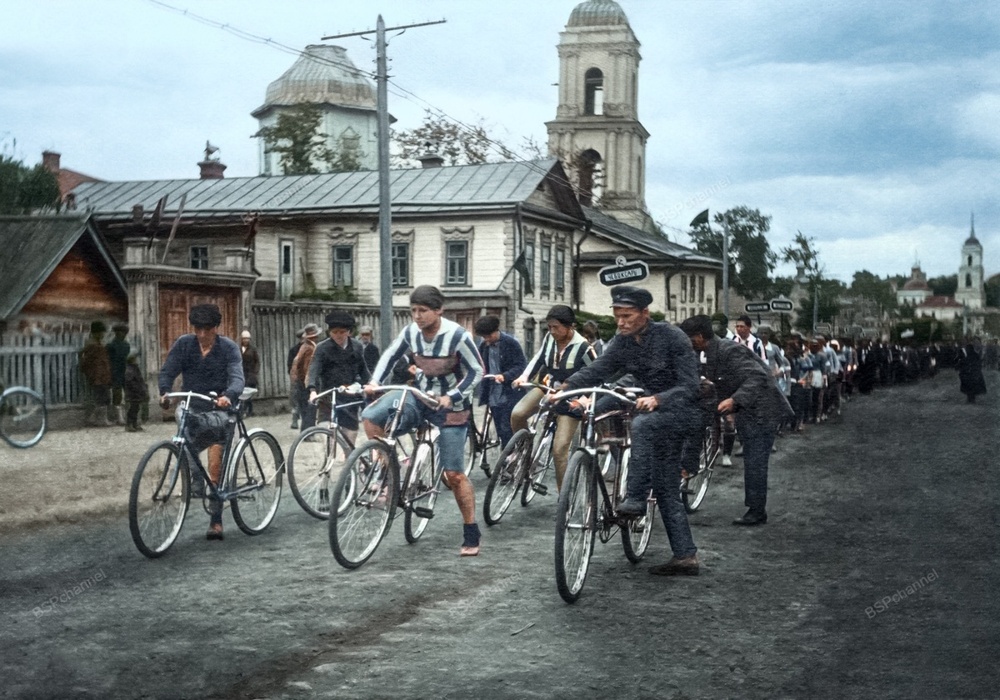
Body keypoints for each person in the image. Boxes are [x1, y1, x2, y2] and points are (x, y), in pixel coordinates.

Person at [560, 285, 702, 576]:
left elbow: (691, 386)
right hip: (644, 401)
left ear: (645, 314)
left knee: (643, 426)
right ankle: (686, 557)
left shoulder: (672, 338)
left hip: (678, 410)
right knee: (593, 405)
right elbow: (599, 368)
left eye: (627, 316)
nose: (621, 322)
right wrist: (566, 388)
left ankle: (635, 498)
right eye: (617, 316)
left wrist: (659, 399)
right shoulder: (623, 341)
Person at [361, 285, 485, 556]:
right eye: (413, 310)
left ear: (439, 310)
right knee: (371, 417)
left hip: (451, 406)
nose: (417, 316)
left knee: (454, 474)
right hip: (419, 396)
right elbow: (390, 355)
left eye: (423, 310)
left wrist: (452, 396)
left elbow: (476, 371)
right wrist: (373, 383)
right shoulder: (410, 332)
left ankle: (471, 531)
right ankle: (389, 473)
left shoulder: (457, 336)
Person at [680, 315, 795, 527]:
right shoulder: (710, 351)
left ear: (698, 337)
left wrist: (734, 400)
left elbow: (757, 378)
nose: (686, 343)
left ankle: (756, 511)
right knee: (696, 417)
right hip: (746, 407)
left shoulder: (729, 350)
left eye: (688, 338)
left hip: (763, 410)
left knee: (755, 461)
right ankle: (689, 466)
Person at [158, 303, 244, 541]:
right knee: (184, 441)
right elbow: (168, 371)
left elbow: (237, 378)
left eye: (207, 329)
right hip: (192, 407)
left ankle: (216, 521)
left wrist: (228, 396)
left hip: (219, 412)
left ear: (217, 328)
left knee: (215, 469)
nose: (202, 334)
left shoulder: (228, 348)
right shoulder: (184, 344)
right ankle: (195, 480)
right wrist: (165, 391)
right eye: (198, 329)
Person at [511, 304, 596, 491]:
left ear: (570, 326)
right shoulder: (550, 338)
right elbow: (538, 358)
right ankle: (522, 452)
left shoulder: (584, 347)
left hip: (571, 396)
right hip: (549, 388)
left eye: (556, 327)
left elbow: (598, 374)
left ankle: (563, 496)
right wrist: (523, 378)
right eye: (549, 327)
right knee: (518, 413)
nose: (552, 331)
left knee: (559, 450)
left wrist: (584, 400)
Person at [307, 311, 370, 444]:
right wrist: (312, 390)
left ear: (349, 332)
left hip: (349, 394)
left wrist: (370, 385)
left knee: (350, 435)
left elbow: (363, 370)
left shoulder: (357, 347)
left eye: (342, 332)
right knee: (327, 431)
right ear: (329, 332)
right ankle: (331, 458)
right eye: (334, 332)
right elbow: (314, 369)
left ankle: (349, 461)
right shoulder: (322, 348)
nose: (338, 336)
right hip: (329, 395)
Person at [474, 315, 527, 449]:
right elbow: (479, 364)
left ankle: (511, 455)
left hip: (510, 391)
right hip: (493, 392)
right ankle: (506, 455)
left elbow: (521, 365)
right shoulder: (483, 346)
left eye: (488, 336)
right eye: (483, 337)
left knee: (506, 425)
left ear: (496, 331)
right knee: (499, 426)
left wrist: (506, 376)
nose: (486, 340)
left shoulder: (511, 343)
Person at [290, 323, 322, 431]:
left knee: (305, 408)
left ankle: (305, 431)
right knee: (310, 408)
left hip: (300, 382)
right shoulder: (310, 348)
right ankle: (309, 433)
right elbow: (307, 368)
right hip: (306, 383)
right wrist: (310, 384)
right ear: (315, 336)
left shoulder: (304, 346)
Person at [80, 320, 112, 426]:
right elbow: (88, 362)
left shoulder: (97, 344)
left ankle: (93, 418)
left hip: (102, 375)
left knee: (103, 398)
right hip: (98, 376)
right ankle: (99, 419)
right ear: (95, 333)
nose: (103, 335)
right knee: (102, 398)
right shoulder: (93, 345)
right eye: (101, 332)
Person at [106, 322, 131, 425]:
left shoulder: (125, 345)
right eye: (121, 332)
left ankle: (125, 416)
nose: (123, 334)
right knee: (117, 394)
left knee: (127, 394)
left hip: (123, 370)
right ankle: (119, 417)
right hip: (115, 371)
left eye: (124, 332)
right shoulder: (111, 346)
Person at [123, 351, 149, 432]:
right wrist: (138, 389)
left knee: (136, 409)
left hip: (136, 393)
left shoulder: (135, 368)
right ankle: (129, 424)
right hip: (132, 394)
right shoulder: (130, 369)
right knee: (132, 410)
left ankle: (134, 424)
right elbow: (130, 382)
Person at [957, 339, 987, 403]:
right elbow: (979, 363)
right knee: (973, 387)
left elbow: (962, 364)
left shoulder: (967, 357)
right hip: (974, 374)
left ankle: (969, 398)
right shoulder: (975, 355)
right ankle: (972, 399)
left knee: (968, 387)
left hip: (967, 373)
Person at [239, 330, 261, 416]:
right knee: (242, 393)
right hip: (242, 373)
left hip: (250, 374)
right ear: (242, 339)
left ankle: (248, 411)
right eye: (244, 339)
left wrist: (255, 372)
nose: (246, 340)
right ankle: (245, 410)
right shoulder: (239, 349)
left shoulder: (253, 349)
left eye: (247, 339)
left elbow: (257, 362)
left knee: (249, 393)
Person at [288, 328, 305, 429]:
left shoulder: (311, 348)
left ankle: (304, 422)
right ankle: (295, 420)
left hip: (306, 379)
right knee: (295, 400)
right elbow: (290, 365)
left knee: (305, 402)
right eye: (302, 338)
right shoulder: (294, 350)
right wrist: (294, 376)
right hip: (297, 379)